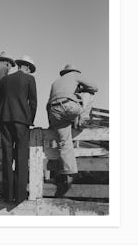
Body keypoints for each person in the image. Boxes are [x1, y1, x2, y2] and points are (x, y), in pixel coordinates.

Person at [46, 64, 98, 197]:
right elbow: (95, 87)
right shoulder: (75, 75)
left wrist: (51, 124)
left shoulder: (55, 82)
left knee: (64, 142)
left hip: (54, 112)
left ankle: (68, 175)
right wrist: (81, 88)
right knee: (89, 94)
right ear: (73, 71)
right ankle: (82, 120)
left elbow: (48, 104)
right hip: (69, 108)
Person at [0, 55, 37, 203]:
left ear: (19, 65)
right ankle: (19, 195)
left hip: (5, 120)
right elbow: (33, 102)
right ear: (28, 68)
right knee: (21, 157)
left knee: (7, 156)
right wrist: (30, 120)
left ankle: (7, 194)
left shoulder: (5, 79)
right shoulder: (29, 79)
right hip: (21, 121)